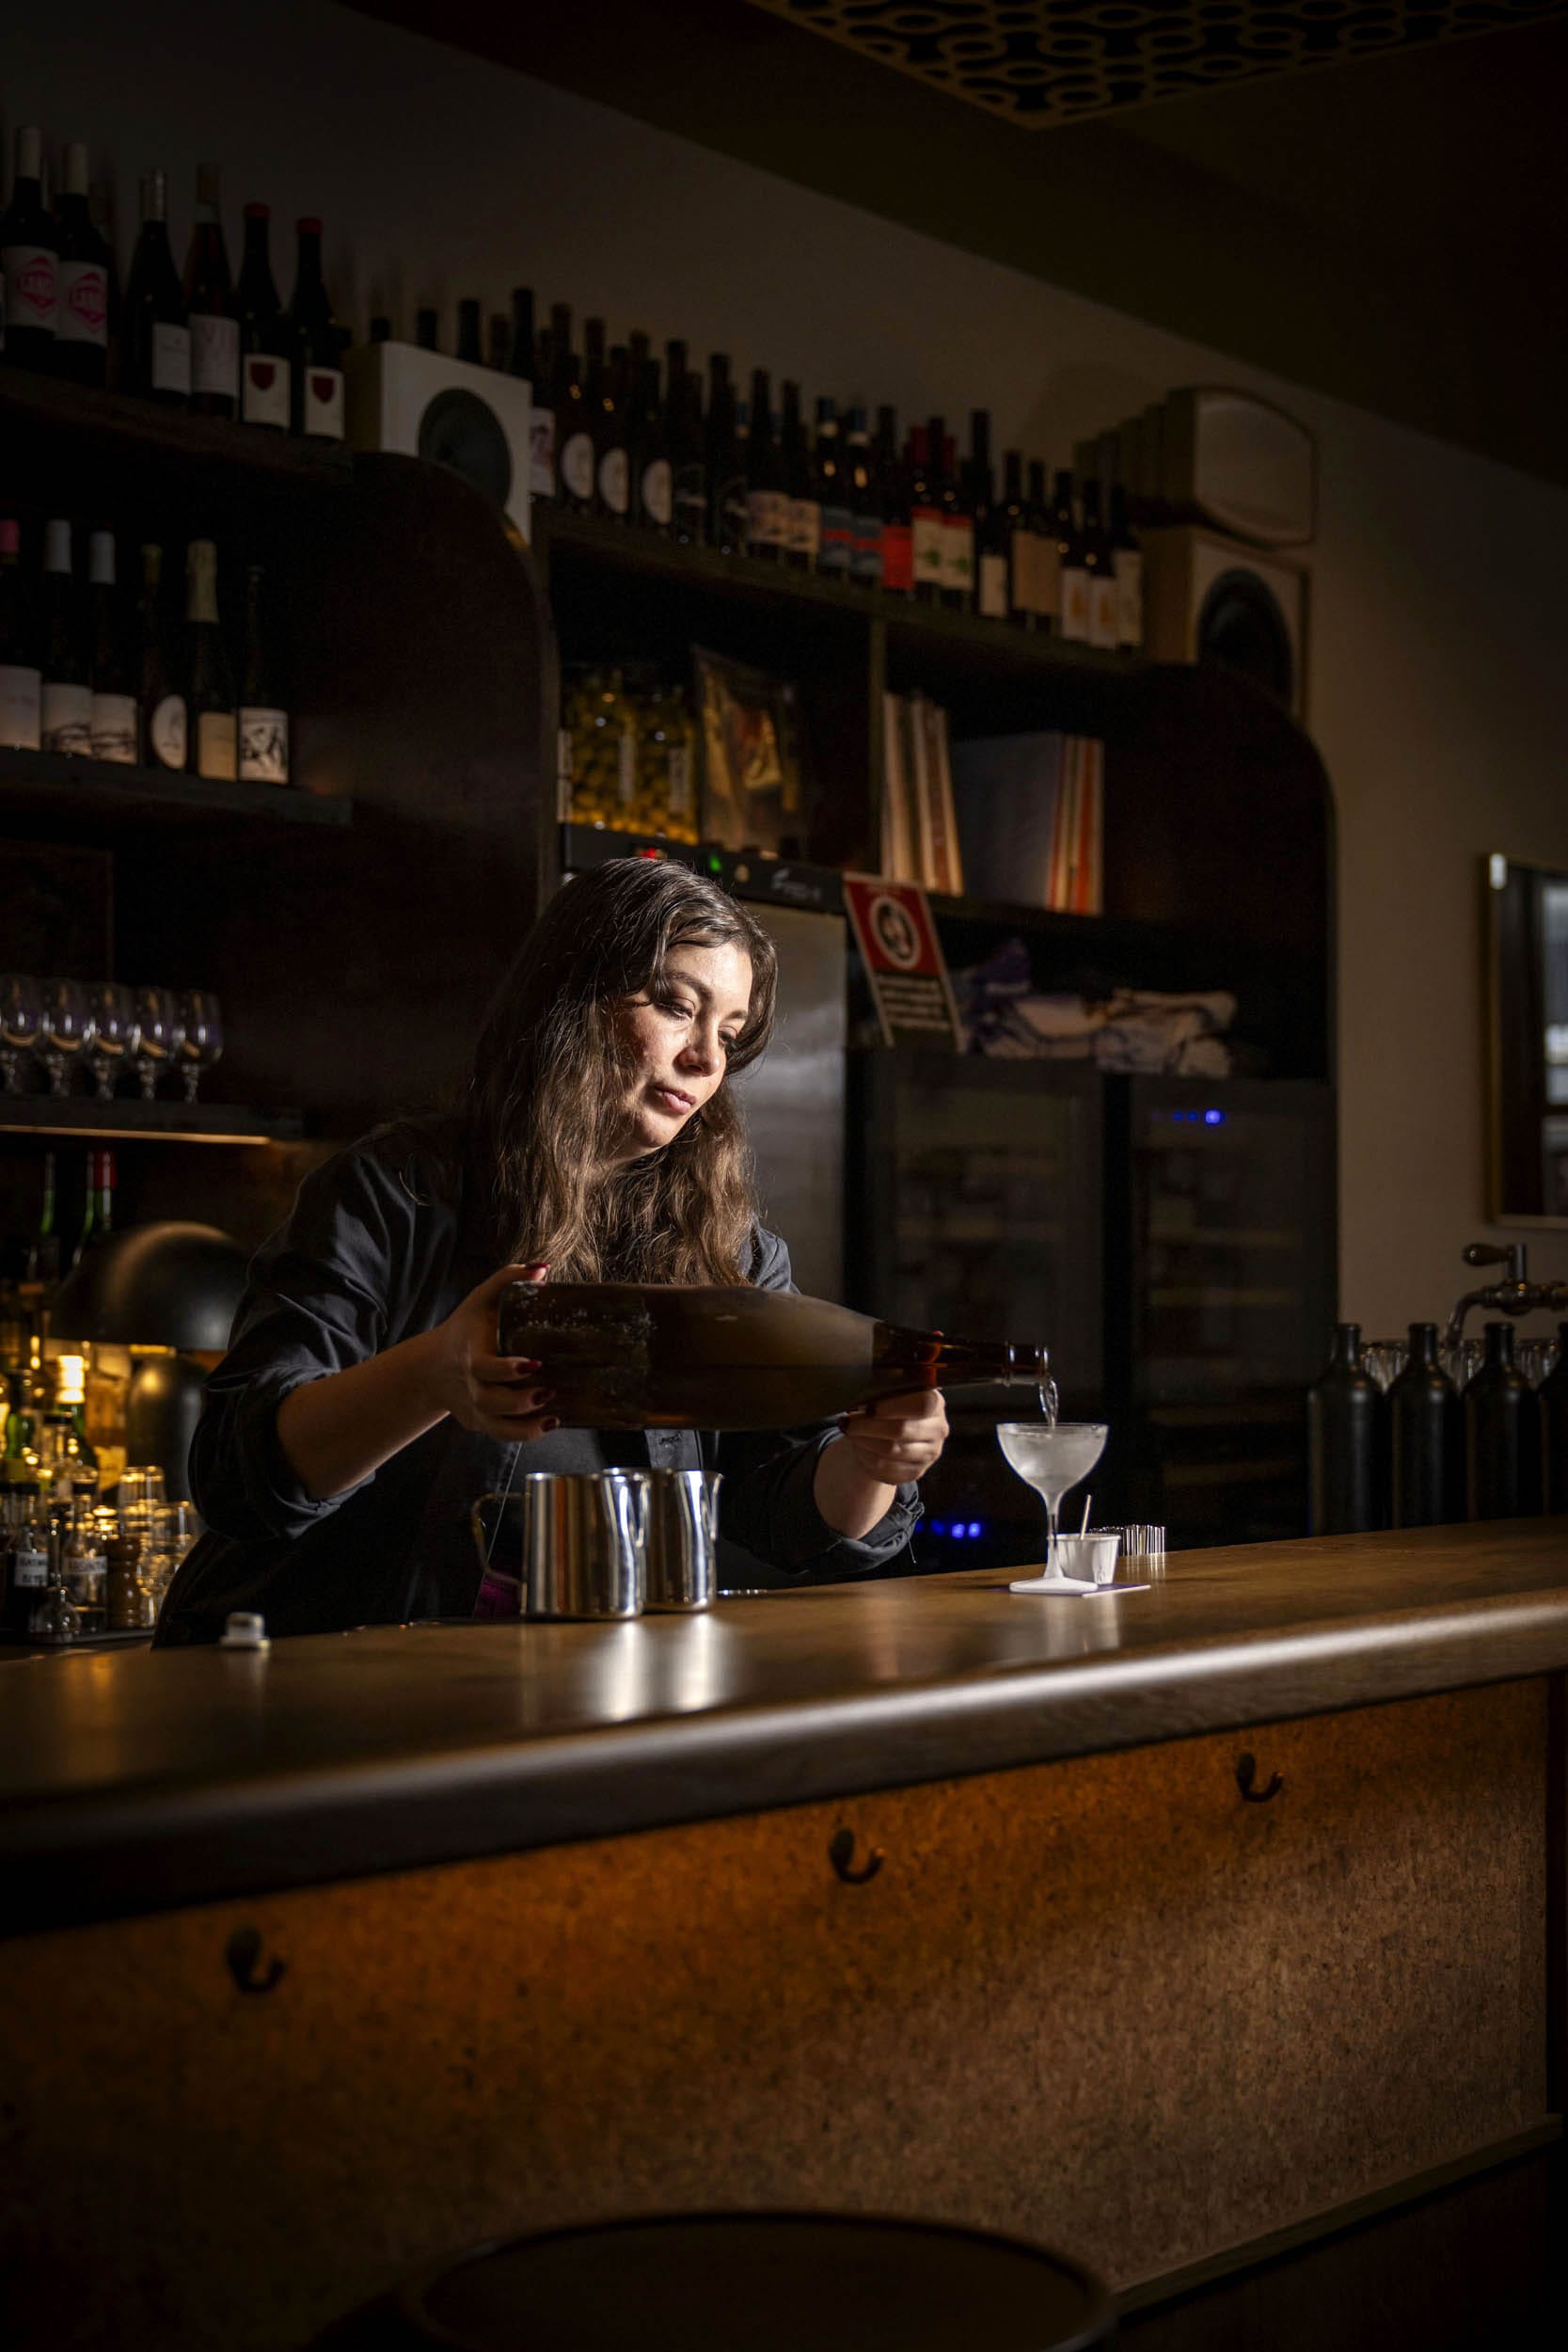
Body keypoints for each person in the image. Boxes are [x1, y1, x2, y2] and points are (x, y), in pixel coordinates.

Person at [157, 858, 948, 1644]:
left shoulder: (726, 1245)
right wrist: (434, 1374)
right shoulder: (393, 1191)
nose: (707, 1060)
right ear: (574, 998)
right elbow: (240, 1475)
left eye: (729, 1034)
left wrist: (873, 1460)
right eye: (675, 1007)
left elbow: (775, 1506)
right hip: (325, 1693)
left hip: (575, 1693)